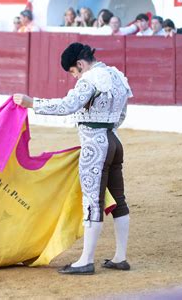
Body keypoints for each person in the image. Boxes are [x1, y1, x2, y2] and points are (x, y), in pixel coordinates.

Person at [13, 42, 132, 275]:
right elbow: (122, 113)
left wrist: (32, 103)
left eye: (73, 72)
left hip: (95, 146)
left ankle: (86, 260)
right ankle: (120, 257)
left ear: (80, 64)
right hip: (115, 142)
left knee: (92, 201)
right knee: (118, 198)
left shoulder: (90, 79)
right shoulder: (117, 76)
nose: (75, 77)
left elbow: (68, 105)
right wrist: (108, 129)